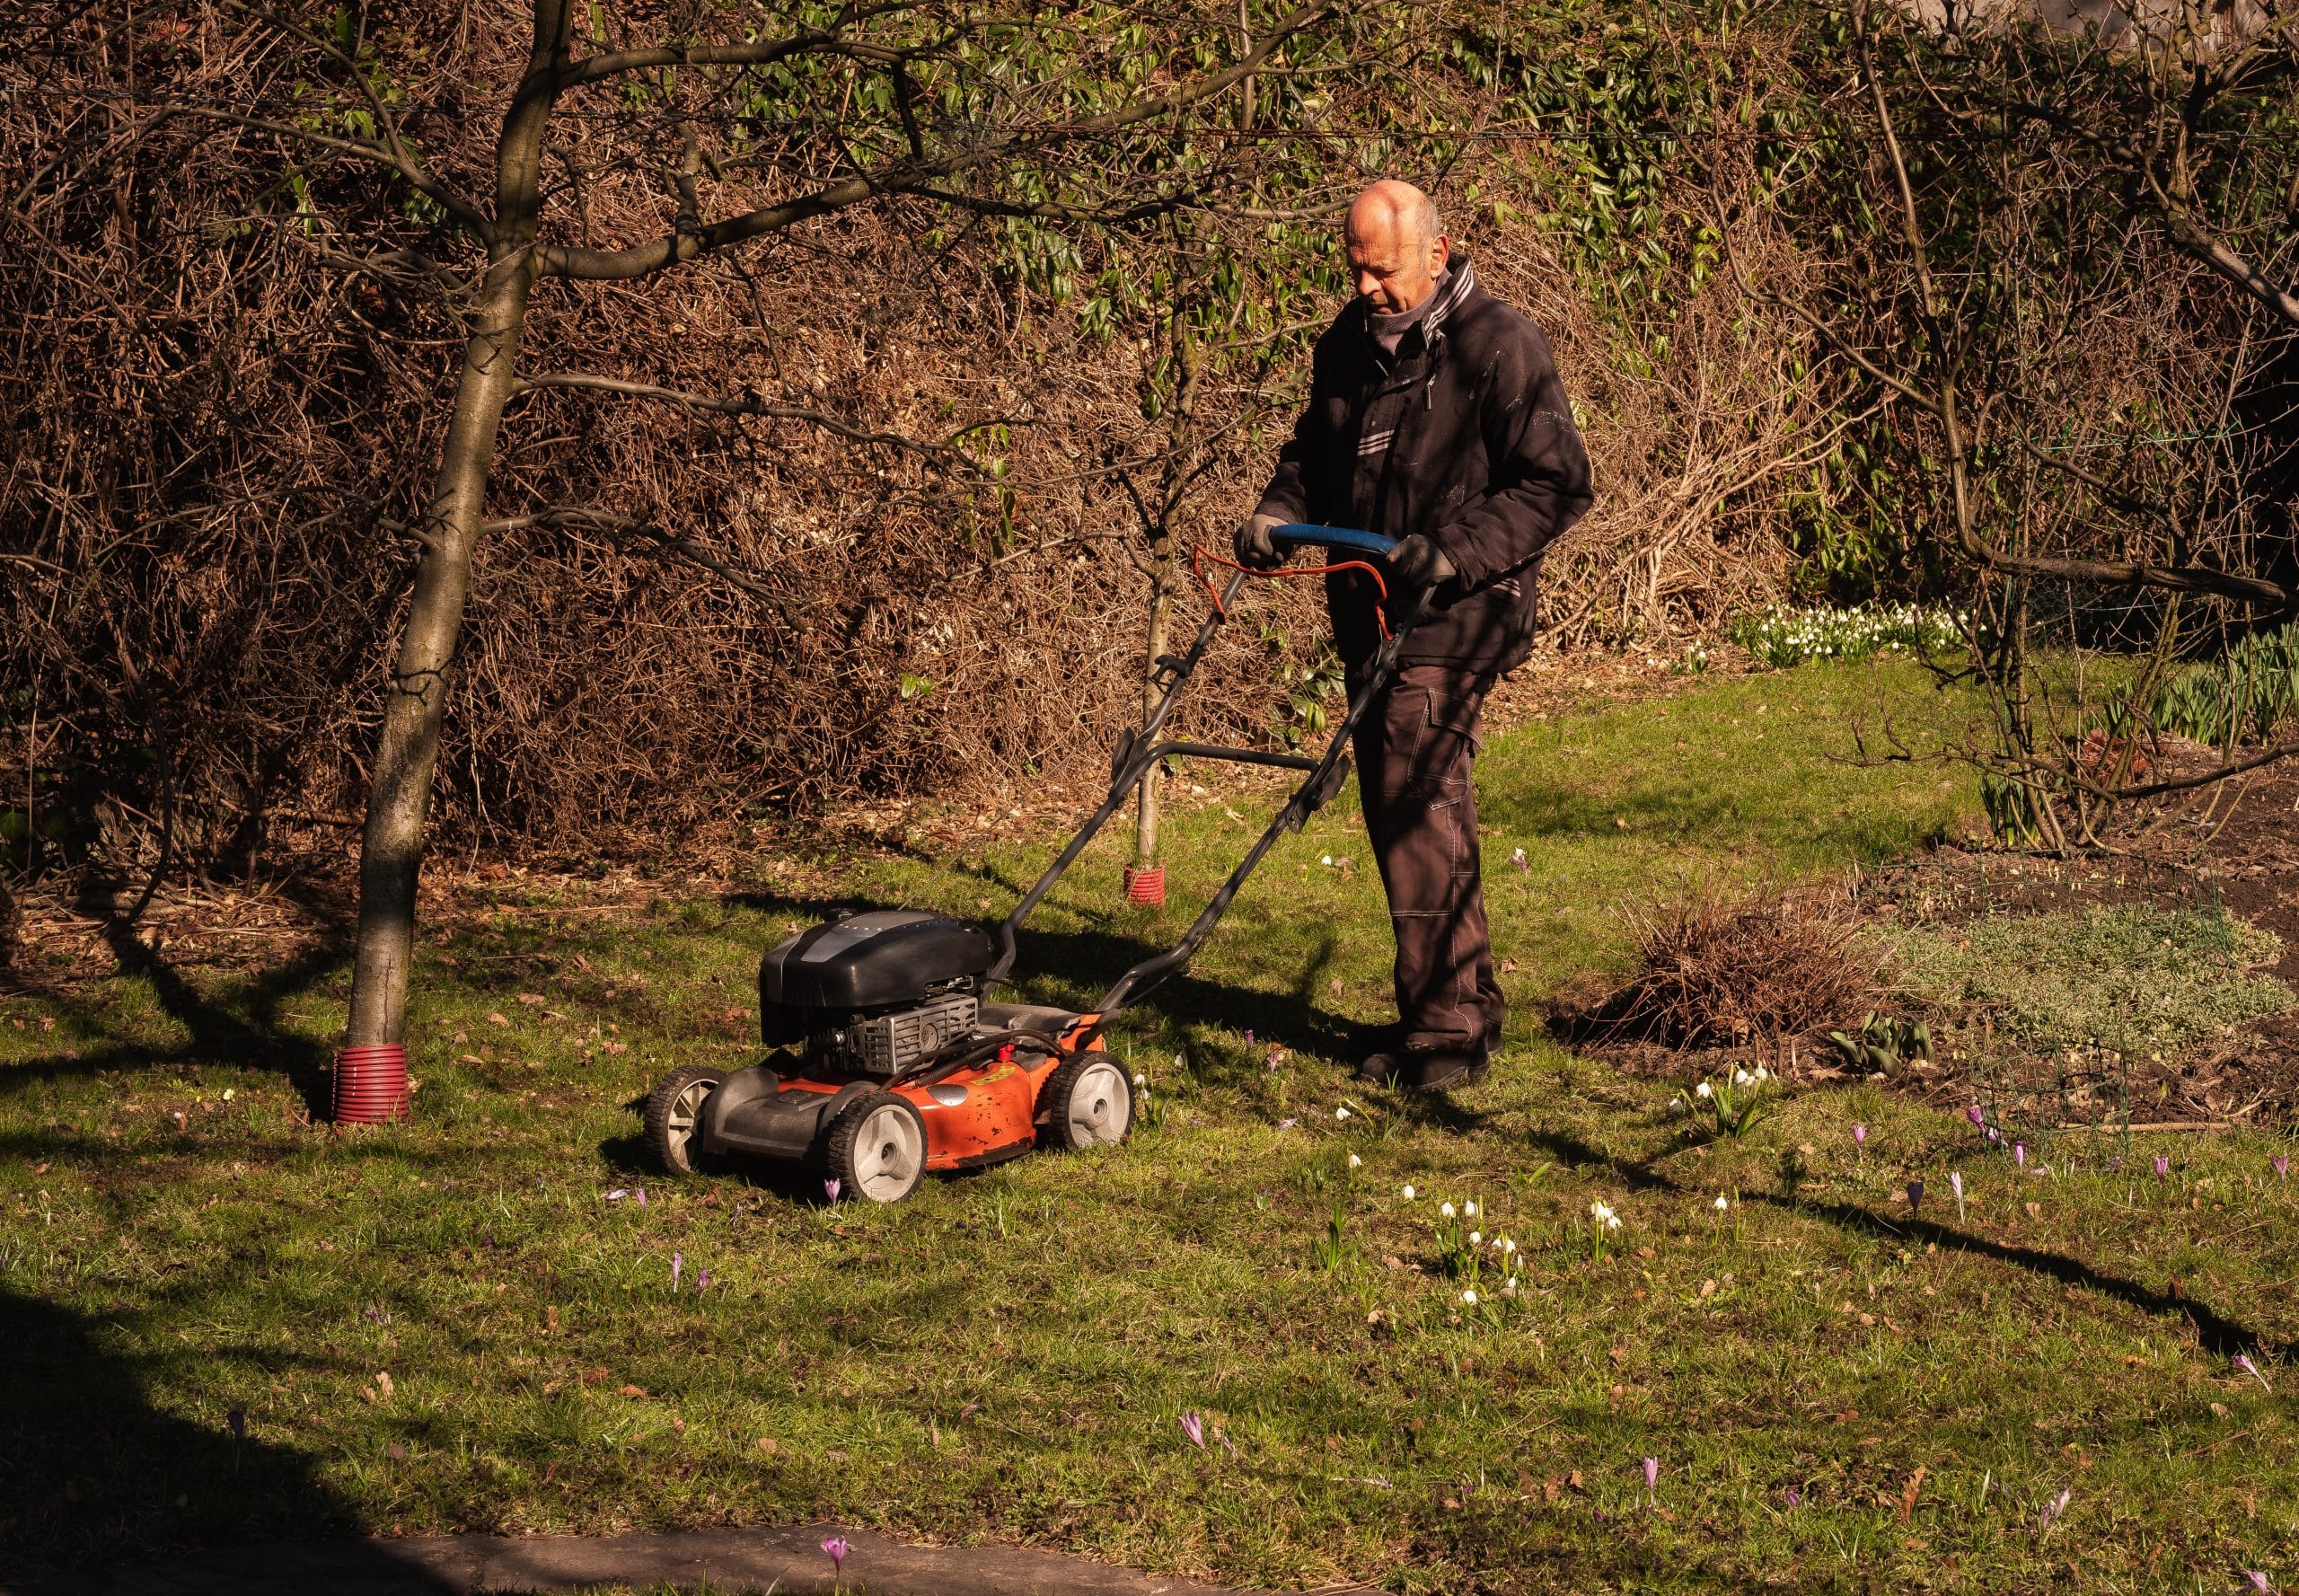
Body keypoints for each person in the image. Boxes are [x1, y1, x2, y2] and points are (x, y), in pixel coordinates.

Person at [1238, 179, 1594, 1090]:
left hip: (1457, 614)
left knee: (1412, 807)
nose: (1364, 288)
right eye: (1353, 269)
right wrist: (1274, 515)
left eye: (1381, 270)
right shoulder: (1345, 352)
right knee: (1411, 811)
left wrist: (1457, 552)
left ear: (1435, 256)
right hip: (1369, 611)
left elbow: (1555, 482)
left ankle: (1442, 1036)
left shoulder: (1498, 347)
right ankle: (1460, 1005)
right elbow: (1306, 462)